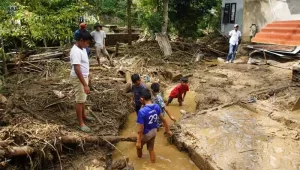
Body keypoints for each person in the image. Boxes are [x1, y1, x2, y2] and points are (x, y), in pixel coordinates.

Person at [136, 88, 172, 163]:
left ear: (142, 99)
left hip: (146, 133)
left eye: (140, 99)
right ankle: (153, 164)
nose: (139, 100)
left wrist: (139, 141)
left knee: (139, 148)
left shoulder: (142, 111)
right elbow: (164, 120)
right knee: (151, 149)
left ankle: (139, 161)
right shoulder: (156, 106)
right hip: (154, 131)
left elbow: (141, 128)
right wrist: (168, 130)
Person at [70, 30, 95, 133]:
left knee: (83, 99)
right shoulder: (75, 51)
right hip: (78, 78)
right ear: (80, 40)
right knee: (79, 100)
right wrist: (85, 85)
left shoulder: (83, 48)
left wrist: (88, 76)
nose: (87, 44)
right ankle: (80, 123)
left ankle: (84, 116)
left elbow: (85, 64)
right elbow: (77, 68)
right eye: (87, 42)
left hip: (84, 77)